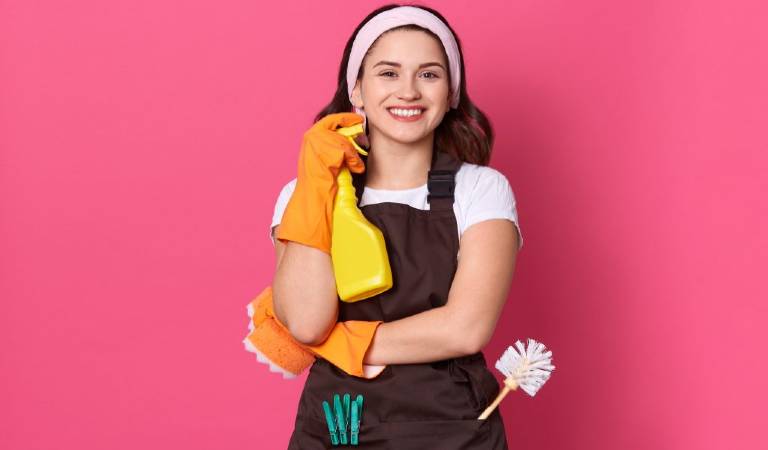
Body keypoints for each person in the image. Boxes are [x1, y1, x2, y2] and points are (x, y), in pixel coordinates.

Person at [270, 4, 522, 448]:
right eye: (388, 73)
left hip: (455, 433)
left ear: (451, 92)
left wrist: (344, 343)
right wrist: (317, 182)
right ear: (357, 89)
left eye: (429, 74)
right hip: (336, 430)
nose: (408, 91)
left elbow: (466, 328)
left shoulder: (481, 189)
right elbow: (307, 324)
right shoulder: (303, 193)